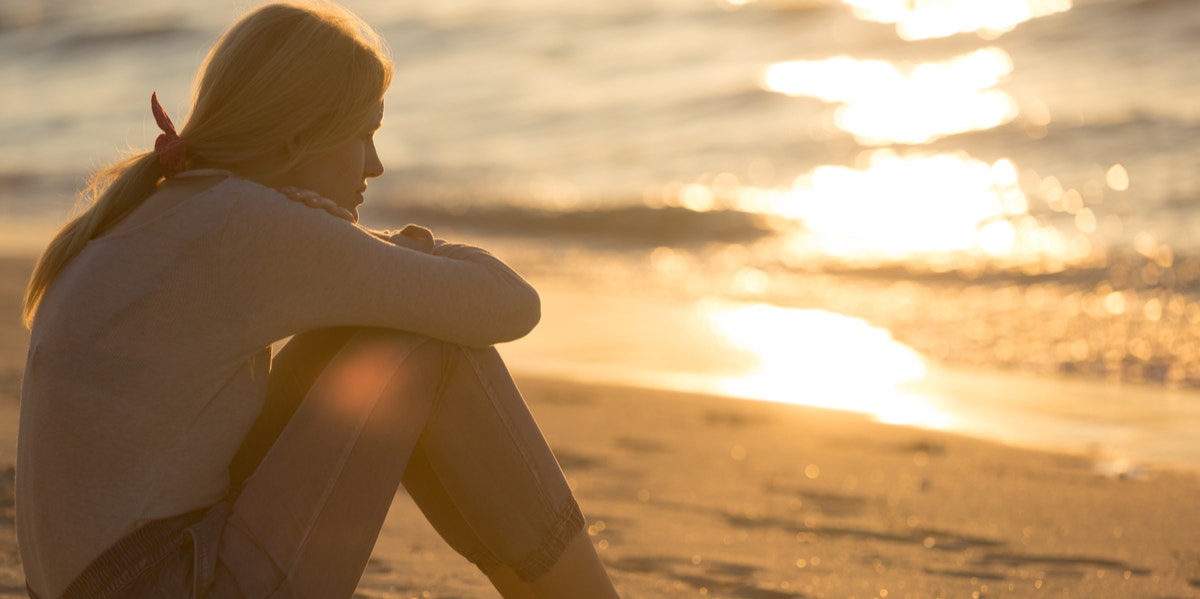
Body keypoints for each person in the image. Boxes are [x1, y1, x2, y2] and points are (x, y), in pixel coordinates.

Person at [16, 2, 620, 597]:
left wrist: (377, 254)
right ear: (298, 135)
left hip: (125, 576)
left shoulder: (165, 208)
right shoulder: (244, 225)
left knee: (350, 336)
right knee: (428, 347)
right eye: (364, 135)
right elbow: (511, 304)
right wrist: (412, 252)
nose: (376, 165)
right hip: (172, 581)